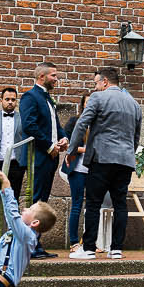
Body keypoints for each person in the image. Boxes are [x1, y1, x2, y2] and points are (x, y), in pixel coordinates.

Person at [67, 66, 143, 260]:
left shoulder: (98, 98)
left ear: (105, 82)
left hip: (101, 158)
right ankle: (116, 249)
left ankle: (89, 248)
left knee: (93, 203)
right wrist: (127, 154)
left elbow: (81, 124)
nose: (95, 87)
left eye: (96, 83)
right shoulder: (134, 104)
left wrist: (72, 150)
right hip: (125, 160)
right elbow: (136, 136)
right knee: (120, 204)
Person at [16, 61, 67, 209]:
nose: (56, 78)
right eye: (53, 75)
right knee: (35, 201)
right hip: (37, 157)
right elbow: (29, 126)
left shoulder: (48, 99)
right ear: (41, 76)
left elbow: (55, 125)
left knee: (43, 202)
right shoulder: (30, 97)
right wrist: (50, 146)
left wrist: (63, 138)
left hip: (50, 158)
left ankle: (36, 232)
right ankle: (29, 232)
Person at [62, 91, 90, 247]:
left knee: (92, 206)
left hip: (94, 170)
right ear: (83, 104)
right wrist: (86, 150)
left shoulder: (99, 123)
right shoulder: (75, 121)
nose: (90, 105)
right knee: (77, 204)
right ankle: (74, 242)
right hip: (77, 169)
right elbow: (67, 144)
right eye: (87, 102)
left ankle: (89, 241)